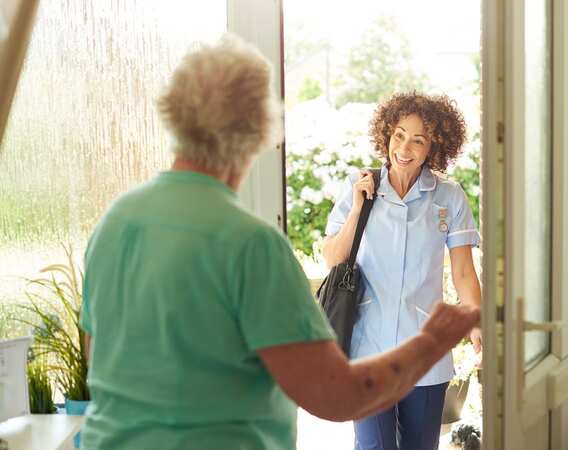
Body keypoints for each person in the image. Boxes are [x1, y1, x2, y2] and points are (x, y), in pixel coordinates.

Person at [78, 35, 479, 450]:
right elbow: (334, 393)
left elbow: (98, 357)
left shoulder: (116, 221)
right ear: (258, 132)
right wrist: (431, 343)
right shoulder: (252, 245)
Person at [323, 92, 482, 450]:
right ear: (386, 135)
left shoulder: (449, 198)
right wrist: (356, 210)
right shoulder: (360, 187)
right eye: (398, 134)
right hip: (368, 349)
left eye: (418, 139)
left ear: (433, 148)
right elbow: (333, 257)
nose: (404, 147)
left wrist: (476, 323)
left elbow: (463, 273)